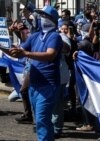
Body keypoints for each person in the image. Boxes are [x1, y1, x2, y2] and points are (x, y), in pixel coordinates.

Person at [9, 6, 63, 140]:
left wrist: (25, 53)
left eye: (45, 16)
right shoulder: (35, 36)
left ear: (53, 20)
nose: (42, 18)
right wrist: (8, 49)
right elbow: (19, 51)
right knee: (40, 121)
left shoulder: (55, 36)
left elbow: (50, 55)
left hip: (48, 85)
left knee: (42, 119)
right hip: (34, 84)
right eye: (41, 15)